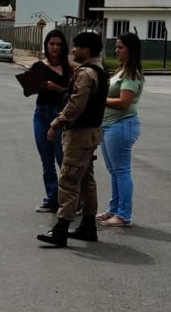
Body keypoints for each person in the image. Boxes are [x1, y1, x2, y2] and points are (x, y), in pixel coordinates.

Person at [37, 30, 108, 248]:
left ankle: (60, 229)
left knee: (68, 179)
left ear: (87, 49)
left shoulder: (86, 73)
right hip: (91, 132)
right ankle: (88, 226)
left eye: (76, 46)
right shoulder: (100, 70)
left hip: (80, 134)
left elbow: (76, 104)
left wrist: (56, 122)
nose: (73, 50)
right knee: (86, 179)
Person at [98, 32, 143, 228]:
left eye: (120, 47)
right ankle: (114, 209)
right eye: (116, 46)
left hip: (121, 125)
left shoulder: (131, 74)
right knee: (114, 171)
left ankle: (124, 215)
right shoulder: (120, 70)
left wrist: (99, 99)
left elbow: (124, 102)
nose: (116, 50)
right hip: (109, 126)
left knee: (122, 171)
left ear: (131, 50)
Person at [27, 30, 73, 212]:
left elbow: (72, 94)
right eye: (52, 44)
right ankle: (52, 199)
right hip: (41, 114)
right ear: (46, 45)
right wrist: (31, 84)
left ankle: (69, 199)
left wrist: (56, 88)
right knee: (46, 160)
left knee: (62, 158)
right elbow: (28, 91)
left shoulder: (69, 69)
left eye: (59, 44)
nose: (55, 47)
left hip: (60, 115)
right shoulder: (38, 66)